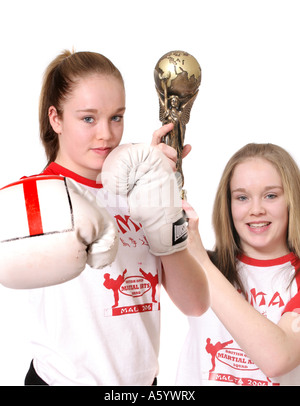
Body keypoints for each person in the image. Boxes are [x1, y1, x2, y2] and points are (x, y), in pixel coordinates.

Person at [23, 50, 209, 385]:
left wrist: (162, 204)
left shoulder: (141, 187)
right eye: (89, 119)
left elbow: (195, 303)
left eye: (117, 117)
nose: (106, 135)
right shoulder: (35, 196)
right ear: (56, 119)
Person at [176, 143, 300, 386]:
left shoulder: (203, 265)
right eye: (242, 197)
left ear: (292, 200)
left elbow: (278, 358)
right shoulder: (204, 265)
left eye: (271, 195)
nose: (256, 210)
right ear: (228, 205)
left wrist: (200, 260)